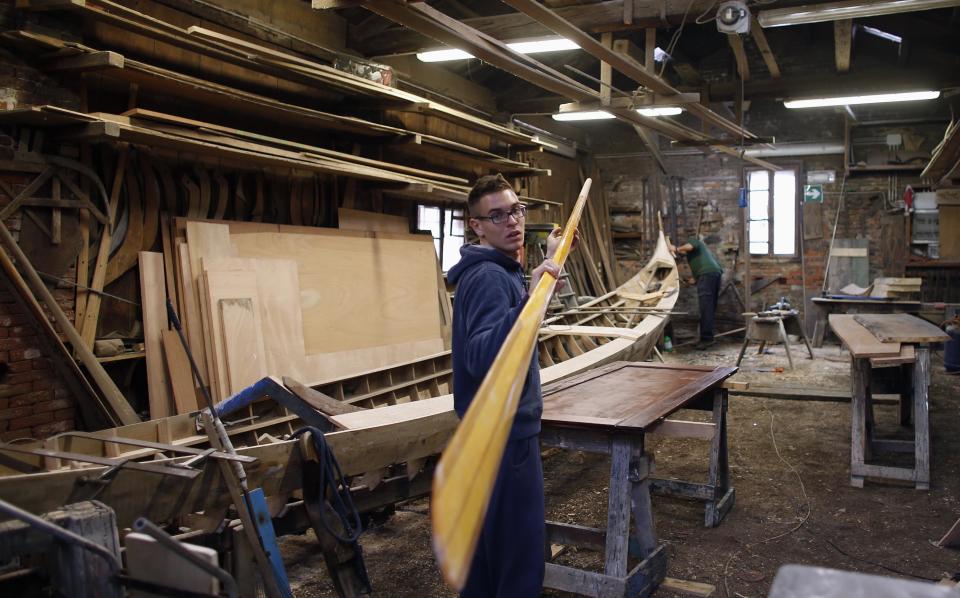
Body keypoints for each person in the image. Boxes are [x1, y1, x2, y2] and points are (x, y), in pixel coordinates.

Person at [445, 173, 576, 597]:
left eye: (516, 210)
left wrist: (537, 285)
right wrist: (536, 292)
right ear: (476, 225)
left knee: (486, 559)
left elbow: (509, 329)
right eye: (496, 216)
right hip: (503, 437)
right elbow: (484, 356)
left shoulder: (498, 271)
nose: (512, 222)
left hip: (485, 433)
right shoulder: (487, 277)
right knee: (519, 562)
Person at [669, 236, 723, 349]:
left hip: (707, 275)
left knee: (706, 307)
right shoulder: (698, 256)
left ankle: (706, 339)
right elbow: (698, 277)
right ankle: (708, 337)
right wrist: (692, 281)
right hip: (713, 274)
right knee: (709, 307)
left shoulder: (694, 241)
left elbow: (689, 246)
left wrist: (676, 248)